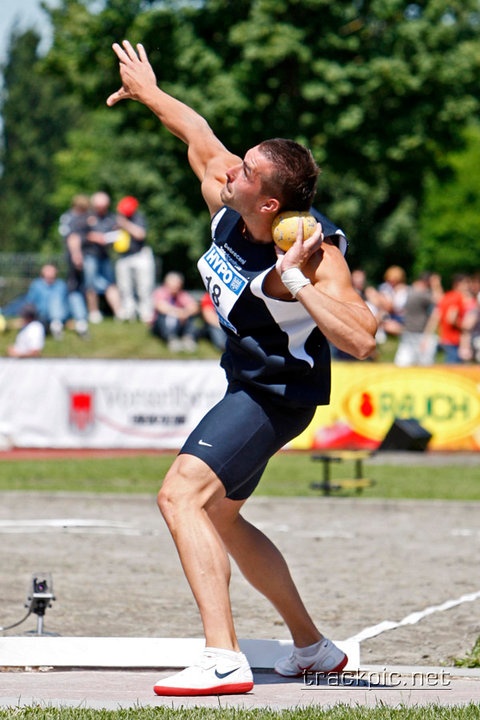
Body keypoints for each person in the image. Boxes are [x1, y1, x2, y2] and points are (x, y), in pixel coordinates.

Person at [107, 39, 377, 697]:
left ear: (269, 203)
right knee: (220, 518)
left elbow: (364, 338)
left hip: (277, 394)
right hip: (247, 381)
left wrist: (300, 283)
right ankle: (313, 648)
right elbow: (197, 134)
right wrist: (150, 92)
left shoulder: (314, 254)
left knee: (178, 495)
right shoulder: (231, 202)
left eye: (248, 169)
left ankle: (222, 658)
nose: (233, 167)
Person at [68, 191, 122, 323]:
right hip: (89, 255)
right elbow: (76, 235)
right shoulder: (86, 217)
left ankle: (119, 312)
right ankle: (94, 312)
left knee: (110, 284)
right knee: (90, 284)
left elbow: (117, 234)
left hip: (104, 255)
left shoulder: (111, 218)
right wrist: (78, 253)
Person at [115, 196, 155, 323]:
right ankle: (129, 312)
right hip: (123, 256)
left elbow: (140, 234)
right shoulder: (117, 219)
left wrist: (124, 225)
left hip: (140, 255)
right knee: (124, 287)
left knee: (144, 287)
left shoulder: (138, 218)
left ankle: (146, 313)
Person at [393, 272, 443, 367]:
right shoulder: (420, 293)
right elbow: (441, 300)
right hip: (420, 335)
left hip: (410, 333)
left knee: (402, 365)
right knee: (424, 367)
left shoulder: (408, 291)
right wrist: (436, 284)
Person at [424, 273, 472, 364]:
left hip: (444, 338)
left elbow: (436, 316)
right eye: (466, 284)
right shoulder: (458, 297)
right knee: (455, 371)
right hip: (454, 339)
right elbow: (451, 317)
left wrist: (427, 335)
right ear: (458, 284)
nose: (468, 287)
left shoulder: (446, 297)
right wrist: (464, 327)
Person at [151, 271, 199, 351]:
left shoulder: (181, 294)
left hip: (179, 323)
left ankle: (188, 338)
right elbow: (161, 307)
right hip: (160, 325)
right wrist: (180, 313)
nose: (176, 286)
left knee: (190, 316)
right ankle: (171, 339)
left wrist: (185, 313)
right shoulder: (160, 292)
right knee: (163, 316)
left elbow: (194, 307)